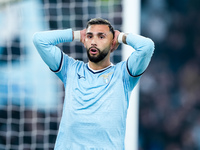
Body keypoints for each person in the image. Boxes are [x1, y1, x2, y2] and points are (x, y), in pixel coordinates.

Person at [33, 18, 154, 150]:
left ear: (112, 44)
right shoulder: (70, 69)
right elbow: (39, 40)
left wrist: (121, 37)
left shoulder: (123, 74)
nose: (94, 41)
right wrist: (77, 34)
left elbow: (147, 46)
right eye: (90, 36)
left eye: (101, 37)